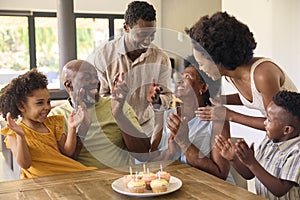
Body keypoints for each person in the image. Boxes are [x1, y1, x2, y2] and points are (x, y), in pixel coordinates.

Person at [186, 11, 298, 131]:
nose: (201, 69)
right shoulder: (230, 74)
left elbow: (276, 124)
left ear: (218, 59)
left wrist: (229, 115)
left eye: (201, 64)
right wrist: (221, 99)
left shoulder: (263, 75)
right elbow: (254, 98)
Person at [90, 1, 173, 137]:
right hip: (112, 127)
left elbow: (168, 98)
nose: (147, 41)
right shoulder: (103, 56)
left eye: (152, 34)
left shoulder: (161, 59)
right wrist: (116, 97)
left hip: (145, 129)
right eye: (141, 34)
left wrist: (157, 100)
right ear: (126, 27)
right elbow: (96, 100)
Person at [50, 60, 150, 168]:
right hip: (81, 181)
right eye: (87, 78)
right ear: (69, 85)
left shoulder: (118, 105)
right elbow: (64, 163)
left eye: (95, 77)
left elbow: (143, 155)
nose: (95, 81)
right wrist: (83, 127)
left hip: (119, 180)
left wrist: (119, 116)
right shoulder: (56, 116)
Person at [0, 69, 95, 179]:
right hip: (41, 183)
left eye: (48, 102)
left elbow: (68, 151)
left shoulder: (53, 123)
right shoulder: (13, 132)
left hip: (67, 173)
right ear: (21, 106)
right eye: (40, 103)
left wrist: (72, 128)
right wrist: (21, 136)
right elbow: (25, 164)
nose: (47, 107)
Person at [147, 63, 233, 183]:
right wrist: (170, 153)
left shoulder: (216, 119)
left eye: (187, 77)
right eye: (181, 77)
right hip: (183, 187)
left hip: (213, 190)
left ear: (203, 88)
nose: (179, 81)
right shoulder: (167, 116)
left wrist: (184, 142)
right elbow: (151, 166)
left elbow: (221, 173)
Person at [215, 90, 300, 199]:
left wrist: (252, 162)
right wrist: (234, 159)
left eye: (269, 120)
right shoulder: (269, 141)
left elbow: (280, 189)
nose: (264, 122)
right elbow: (250, 174)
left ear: (287, 129)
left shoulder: (296, 152)